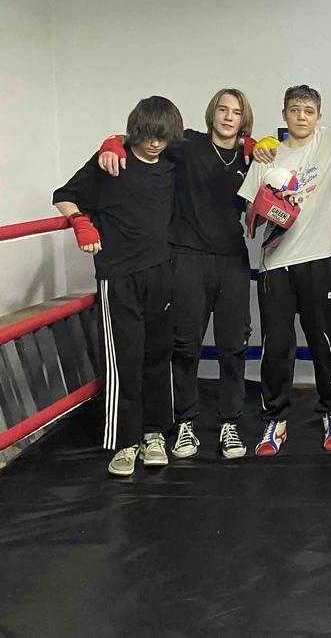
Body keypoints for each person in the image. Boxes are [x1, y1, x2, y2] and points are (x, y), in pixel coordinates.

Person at [96, 89, 256, 461]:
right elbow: (141, 137)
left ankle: (230, 422)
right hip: (187, 256)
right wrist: (110, 145)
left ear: (243, 119)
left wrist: (258, 145)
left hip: (231, 258)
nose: (228, 117)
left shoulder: (251, 157)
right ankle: (185, 421)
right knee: (184, 344)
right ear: (212, 113)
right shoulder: (188, 146)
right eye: (222, 109)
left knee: (233, 344)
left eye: (235, 112)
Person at [53, 96, 184, 477]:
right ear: (136, 130)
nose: (155, 143)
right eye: (149, 135)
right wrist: (80, 222)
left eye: (162, 136)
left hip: (160, 273)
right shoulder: (111, 162)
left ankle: (154, 434)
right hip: (119, 275)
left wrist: (250, 143)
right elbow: (64, 196)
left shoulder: (173, 162)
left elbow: (214, 143)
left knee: (158, 355)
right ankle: (125, 441)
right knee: (123, 358)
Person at [237, 85, 331, 456]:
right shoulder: (267, 156)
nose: (301, 116)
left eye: (308, 110)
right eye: (294, 109)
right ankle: (275, 418)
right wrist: (271, 204)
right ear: (284, 114)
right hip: (275, 265)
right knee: (276, 345)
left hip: (320, 259)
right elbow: (249, 220)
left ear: (319, 115)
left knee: (324, 342)